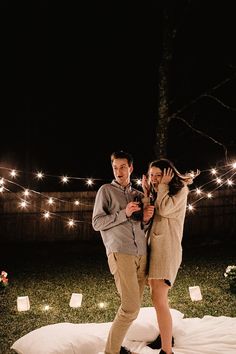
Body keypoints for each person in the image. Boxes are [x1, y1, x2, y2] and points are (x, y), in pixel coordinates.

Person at [92, 150, 154, 354]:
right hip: (120, 253)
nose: (119, 171)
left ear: (131, 168)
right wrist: (123, 213)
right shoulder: (106, 191)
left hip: (141, 254)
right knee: (129, 308)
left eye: (123, 167)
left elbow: (141, 228)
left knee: (133, 308)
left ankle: (117, 347)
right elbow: (97, 222)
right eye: (115, 167)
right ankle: (112, 351)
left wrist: (145, 219)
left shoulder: (137, 194)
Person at [141, 158, 199, 354]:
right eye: (152, 175)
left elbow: (164, 209)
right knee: (159, 298)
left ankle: (167, 350)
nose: (155, 179)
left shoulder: (180, 190)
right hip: (155, 249)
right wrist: (148, 193)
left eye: (159, 175)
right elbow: (151, 214)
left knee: (158, 299)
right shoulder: (158, 191)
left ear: (169, 174)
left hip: (167, 251)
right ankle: (166, 336)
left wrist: (163, 186)